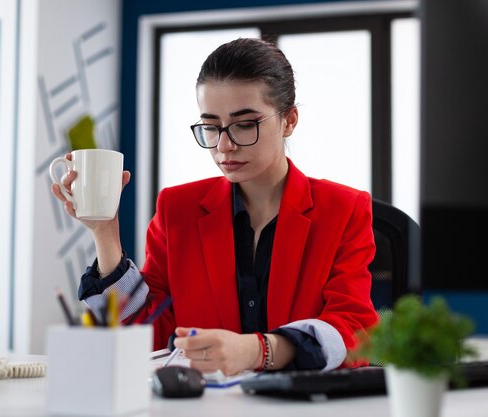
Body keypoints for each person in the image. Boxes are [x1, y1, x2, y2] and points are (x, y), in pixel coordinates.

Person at [51, 37, 378, 376]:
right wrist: (105, 233)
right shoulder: (177, 209)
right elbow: (149, 333)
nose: (224, 146)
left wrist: (258, 350)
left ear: (289, 120)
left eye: (245, 124)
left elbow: (355, 330)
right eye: (211, 127)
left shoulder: (344, 209)